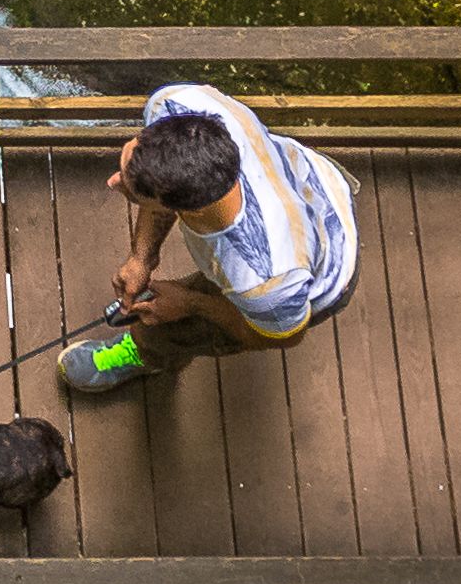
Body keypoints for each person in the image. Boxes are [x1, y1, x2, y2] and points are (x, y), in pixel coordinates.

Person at [56, 81, 359, 397]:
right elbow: (163, 184)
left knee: (165, 329)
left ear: (187, 208)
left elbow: (280, 336)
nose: (113, 181)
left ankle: (148, 355)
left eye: (130, 190)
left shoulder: (263, 281)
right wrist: (141, 258)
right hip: (312, 182)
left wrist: (189, 304)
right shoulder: (177, 106)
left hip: (317, 274)